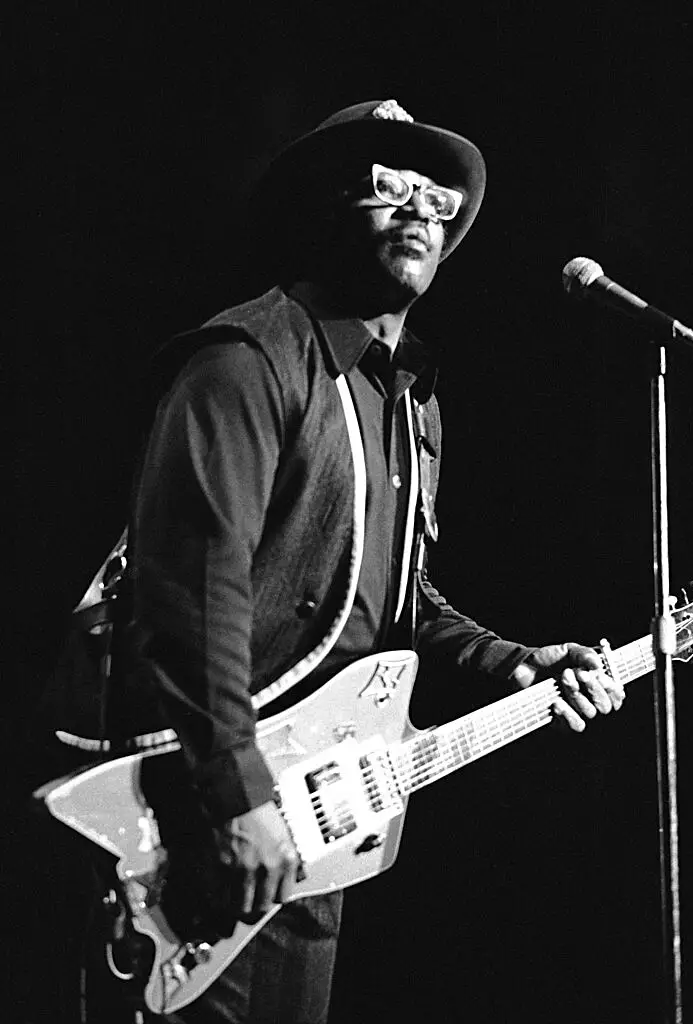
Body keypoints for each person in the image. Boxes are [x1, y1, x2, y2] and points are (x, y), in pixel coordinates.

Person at [84, 99, 625, 1022]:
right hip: (201, 812)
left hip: (316, 814)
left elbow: (391, 590)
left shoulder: (411, 403)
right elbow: (193, 592)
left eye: (437, 199)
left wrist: (514, 663)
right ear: (323, 205)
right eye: (387, 184)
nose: (419, 209)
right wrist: (236, 798)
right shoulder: (245, 362)